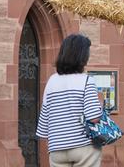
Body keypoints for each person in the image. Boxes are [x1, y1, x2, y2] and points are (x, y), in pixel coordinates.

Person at [36, 34, 103, 167]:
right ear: (82, 57)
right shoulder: (86, 81)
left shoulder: (51, 81)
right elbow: (94, 117)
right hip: (83, 146)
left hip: (57, 149)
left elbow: (44, 124)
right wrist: (100, 103)